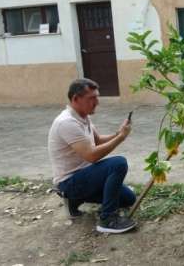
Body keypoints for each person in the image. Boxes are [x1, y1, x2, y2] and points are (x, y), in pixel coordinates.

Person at [47, 78, 136, 233]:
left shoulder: (83, 116)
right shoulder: (67, 122)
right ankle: (107, 219)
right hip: (70, 182)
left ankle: (75, 200)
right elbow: (92, 156)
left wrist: (118, 133)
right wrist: (120, 138)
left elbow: (98, 140)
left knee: (128, 198)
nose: (97, 102)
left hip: (85, 176)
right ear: (76, 99)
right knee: (118, 163)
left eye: (97, 97)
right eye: (92, 98)